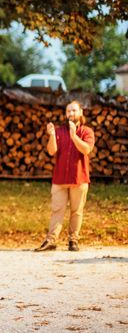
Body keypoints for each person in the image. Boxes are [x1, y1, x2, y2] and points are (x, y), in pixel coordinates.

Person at [35, 101, 95, 252]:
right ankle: (51, 240)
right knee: (57, 210)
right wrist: (52, 135)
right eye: (68, 111)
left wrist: (74, 136)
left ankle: (73, 240)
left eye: (74, 110)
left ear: (81, 112)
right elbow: (51, 151)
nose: (71, 113)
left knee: (77, 211)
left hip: (79, 178)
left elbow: (86, 150)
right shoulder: (59, 130)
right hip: (60, 178)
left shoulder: (87, 131)